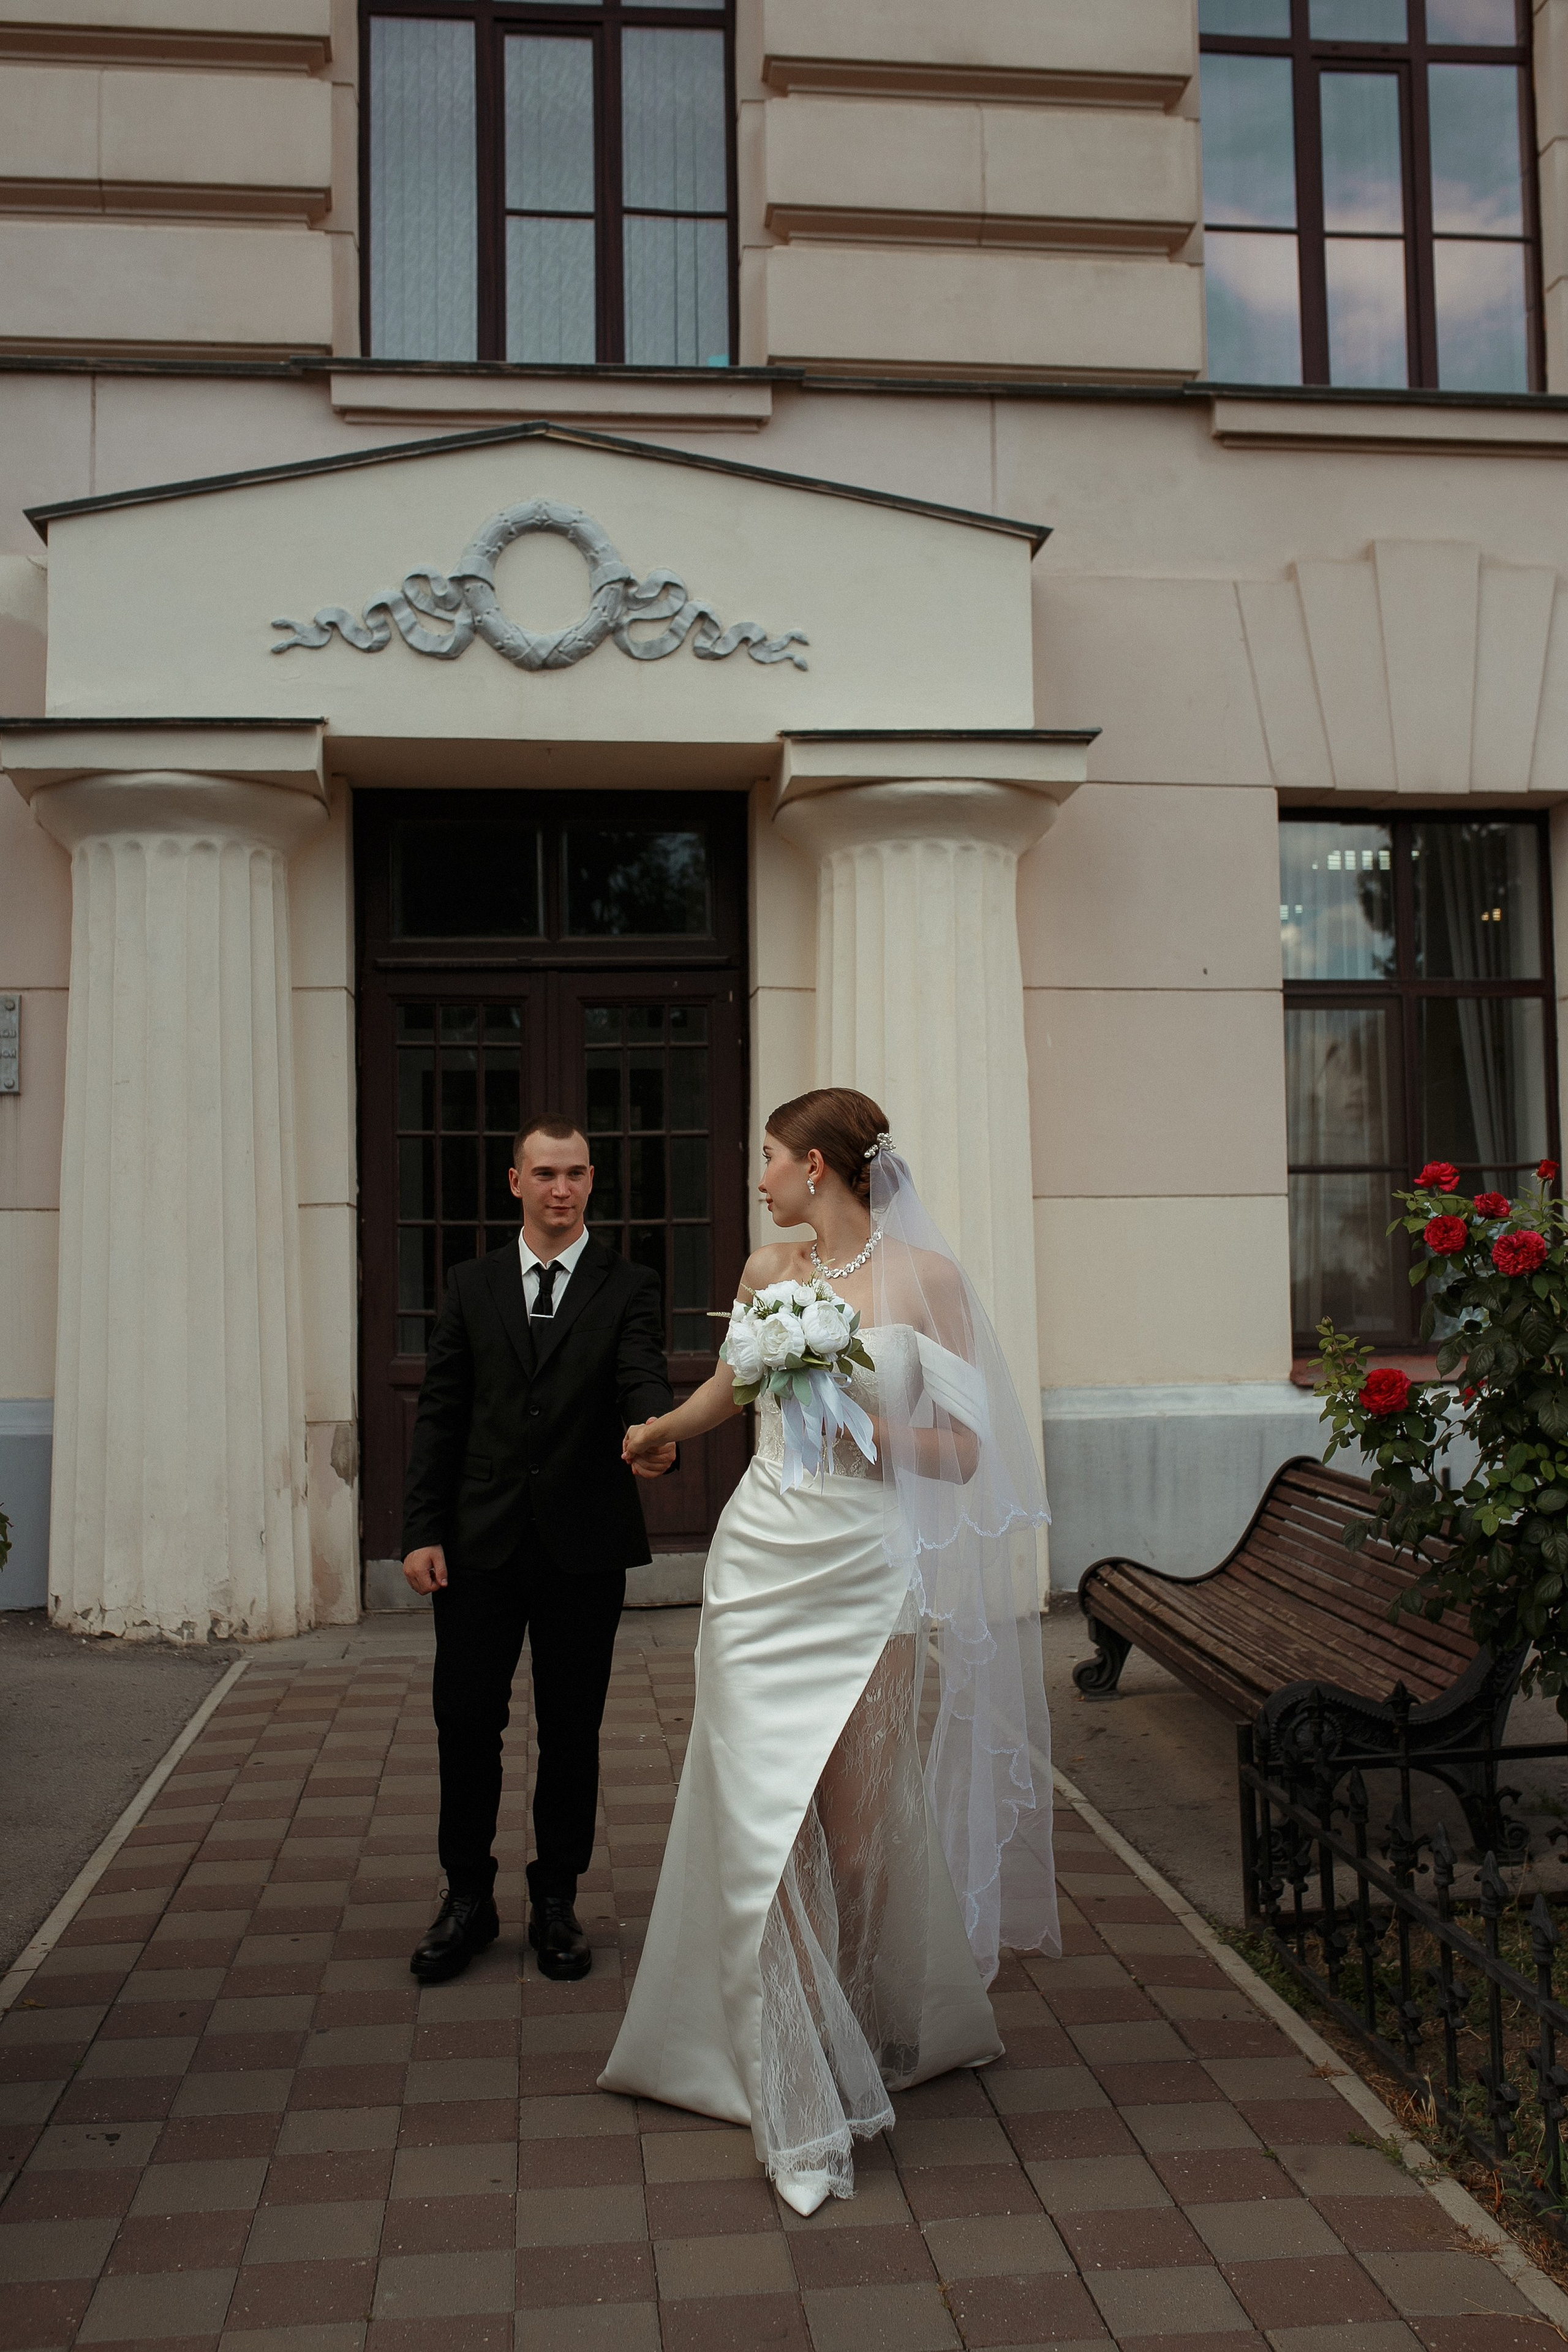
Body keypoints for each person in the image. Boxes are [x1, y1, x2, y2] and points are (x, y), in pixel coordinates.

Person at [599, 1087, 1058, 2213]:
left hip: (866, 1570)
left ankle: (851, 2022)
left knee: (855, 1841)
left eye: (769, 1158)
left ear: (816, 1166)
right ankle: (791, 2068)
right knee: (764, 1819)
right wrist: (660, 1430)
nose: (758, 1178)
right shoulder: (768, 1272)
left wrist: (861, 1421)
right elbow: (731, 1389)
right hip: (759, 1566)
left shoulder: (928, 1283)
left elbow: (962, 1451)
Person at [401, 1114, 677, 1986]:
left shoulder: (629, 1283)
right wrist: (421, 1529)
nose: (562, 1189)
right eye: (546, 1174)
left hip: (583, 1544)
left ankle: (557, 1899)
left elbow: (641, 1371)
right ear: (516, 1182)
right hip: (476, 1544)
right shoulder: (471, 1282)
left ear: (593, 1181)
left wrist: (653, 1431)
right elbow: (441, 1410)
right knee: (465, 1726)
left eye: (577, 1174)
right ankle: (466, 1900)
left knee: (570, 1730)